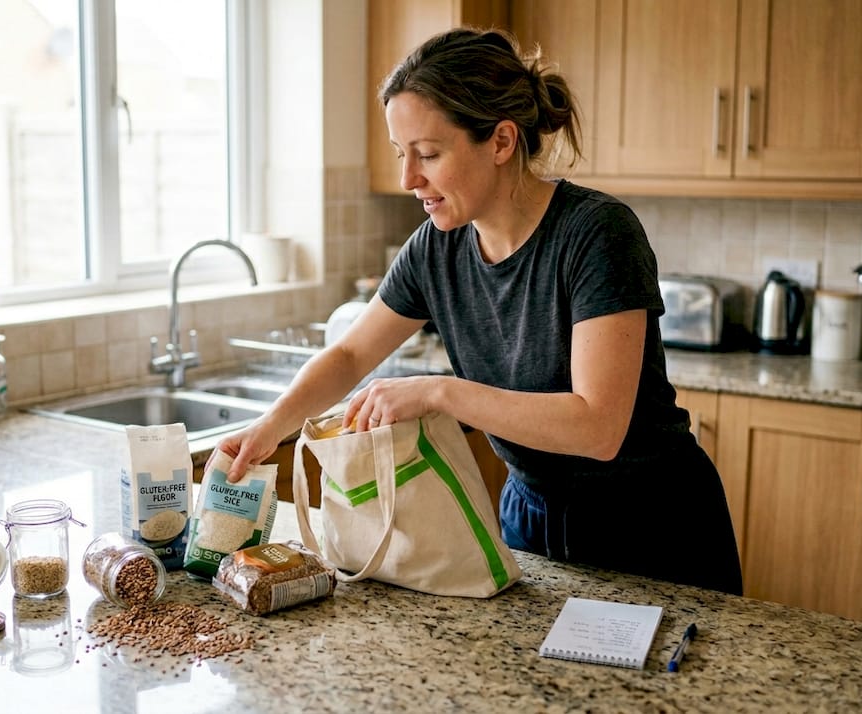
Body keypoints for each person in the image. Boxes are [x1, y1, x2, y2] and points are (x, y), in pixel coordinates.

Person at [212, 27, 743, 596]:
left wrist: (440, 391)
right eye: (401, 154)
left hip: (650, 528)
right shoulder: (436, 247)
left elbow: (598, 427)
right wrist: (272, 426)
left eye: (429, 154)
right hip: (529, 517)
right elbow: (348, 354)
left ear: (501, 141)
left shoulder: (597, 234)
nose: (407, 179)